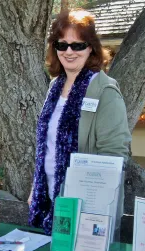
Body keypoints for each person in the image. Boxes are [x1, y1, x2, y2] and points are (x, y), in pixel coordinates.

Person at [28, 10, 132, 235]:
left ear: (91, 48)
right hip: (48, 202)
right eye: (62, 44)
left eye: (77, 45)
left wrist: (88, 200)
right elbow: (47, 146)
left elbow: (114, 155)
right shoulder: (55, 86)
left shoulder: (105, 91)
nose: (69, 51)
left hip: (87, 211)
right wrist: (36, 189)